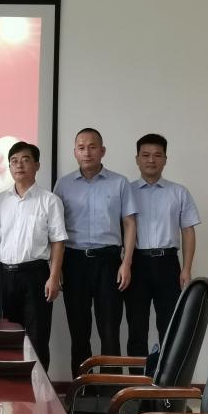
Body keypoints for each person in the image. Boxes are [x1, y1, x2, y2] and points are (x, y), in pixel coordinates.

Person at [53, 127, 137, 374]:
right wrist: (56, 267)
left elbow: (130, 224)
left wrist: (126, 263)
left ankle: (112, 390)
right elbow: (55, 229)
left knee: (110, 330)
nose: (87, 152)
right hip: (74, 261)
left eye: (92, 147)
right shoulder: (64, 185)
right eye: (81, 148)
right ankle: (83, 390)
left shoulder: (119, 183)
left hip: (108, 261)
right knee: (79, 331)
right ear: (75, 152)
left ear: (103, 151)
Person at [0, 141, 66, 371]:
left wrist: (54, 277)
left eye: (25, 160)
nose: (19, 165)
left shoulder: (50, 201)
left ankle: (40, 390)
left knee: (37, 337)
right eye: (14, 161)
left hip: (36, 275)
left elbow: (58, 241)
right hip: (4, 276)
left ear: (37, 165)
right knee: (7, 337)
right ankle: (9, 388)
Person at [125, 133, 200, 357]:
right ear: (137, 159)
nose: (151, 160)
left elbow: (188, 231)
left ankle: (166, 378)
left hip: (168, 263)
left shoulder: (179, 192)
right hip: (136, 264)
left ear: (165, 159)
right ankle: (138, 378)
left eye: (157, 155)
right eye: (145, 155)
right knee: (136, 327)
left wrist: (186, 268)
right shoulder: (126, 191)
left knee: (169, 327)